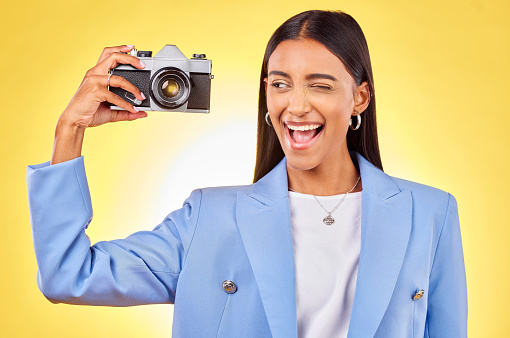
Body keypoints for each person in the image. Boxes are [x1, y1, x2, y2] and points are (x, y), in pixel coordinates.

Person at [26, 10, 467, 338]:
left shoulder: (430, 214)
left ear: (360, 98)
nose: (295, 106)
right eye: (279, 84)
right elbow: (68, 274)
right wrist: (71, 128)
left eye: (320, 84)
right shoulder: (209, 218)